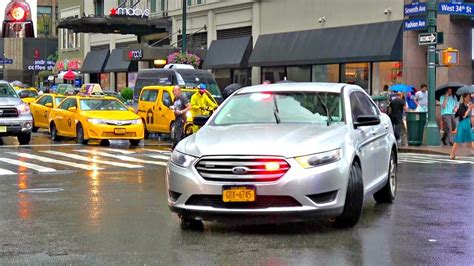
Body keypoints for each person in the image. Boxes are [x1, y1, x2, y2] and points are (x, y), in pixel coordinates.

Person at [450, 93, 473, 160]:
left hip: (468, 124)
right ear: (464, 98)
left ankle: (452, 154)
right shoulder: (461, 106)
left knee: (472, 139)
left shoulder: (468, 105)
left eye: (470, 97)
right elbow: (463, 116)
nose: (469, 99)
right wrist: (469, 109)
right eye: (468, 97)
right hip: (463, 124)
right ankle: (452, 154)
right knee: (457, 140)